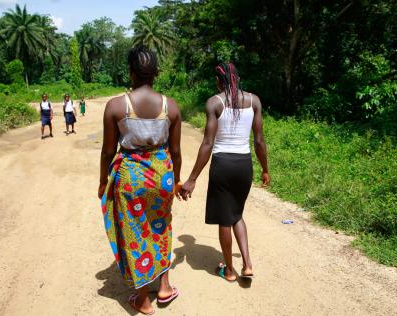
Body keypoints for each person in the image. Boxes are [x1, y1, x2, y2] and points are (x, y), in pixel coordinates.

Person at [98, 46, 183, 315]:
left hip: (131, 176)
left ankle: (143, 300)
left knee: (136, 233)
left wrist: (103, 180)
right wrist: (176, 181)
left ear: (131, 71)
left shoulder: (116, 106)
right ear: (156, 72)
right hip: (163, 176)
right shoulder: (171, 106)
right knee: (161, 226)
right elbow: (177, 151)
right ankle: (165, 287)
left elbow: (108, 151)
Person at [181, 62, 270, 282]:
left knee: (225, 218)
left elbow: (208, 143)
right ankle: (247, 264)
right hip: (244, 165)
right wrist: (265, 169)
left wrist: (192, 179)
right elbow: (259, 141)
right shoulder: (254, 101)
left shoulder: (214, 102)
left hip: (222, 165)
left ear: (218, 81)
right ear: (237, 79)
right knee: (237, 213)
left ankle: (229, 270)